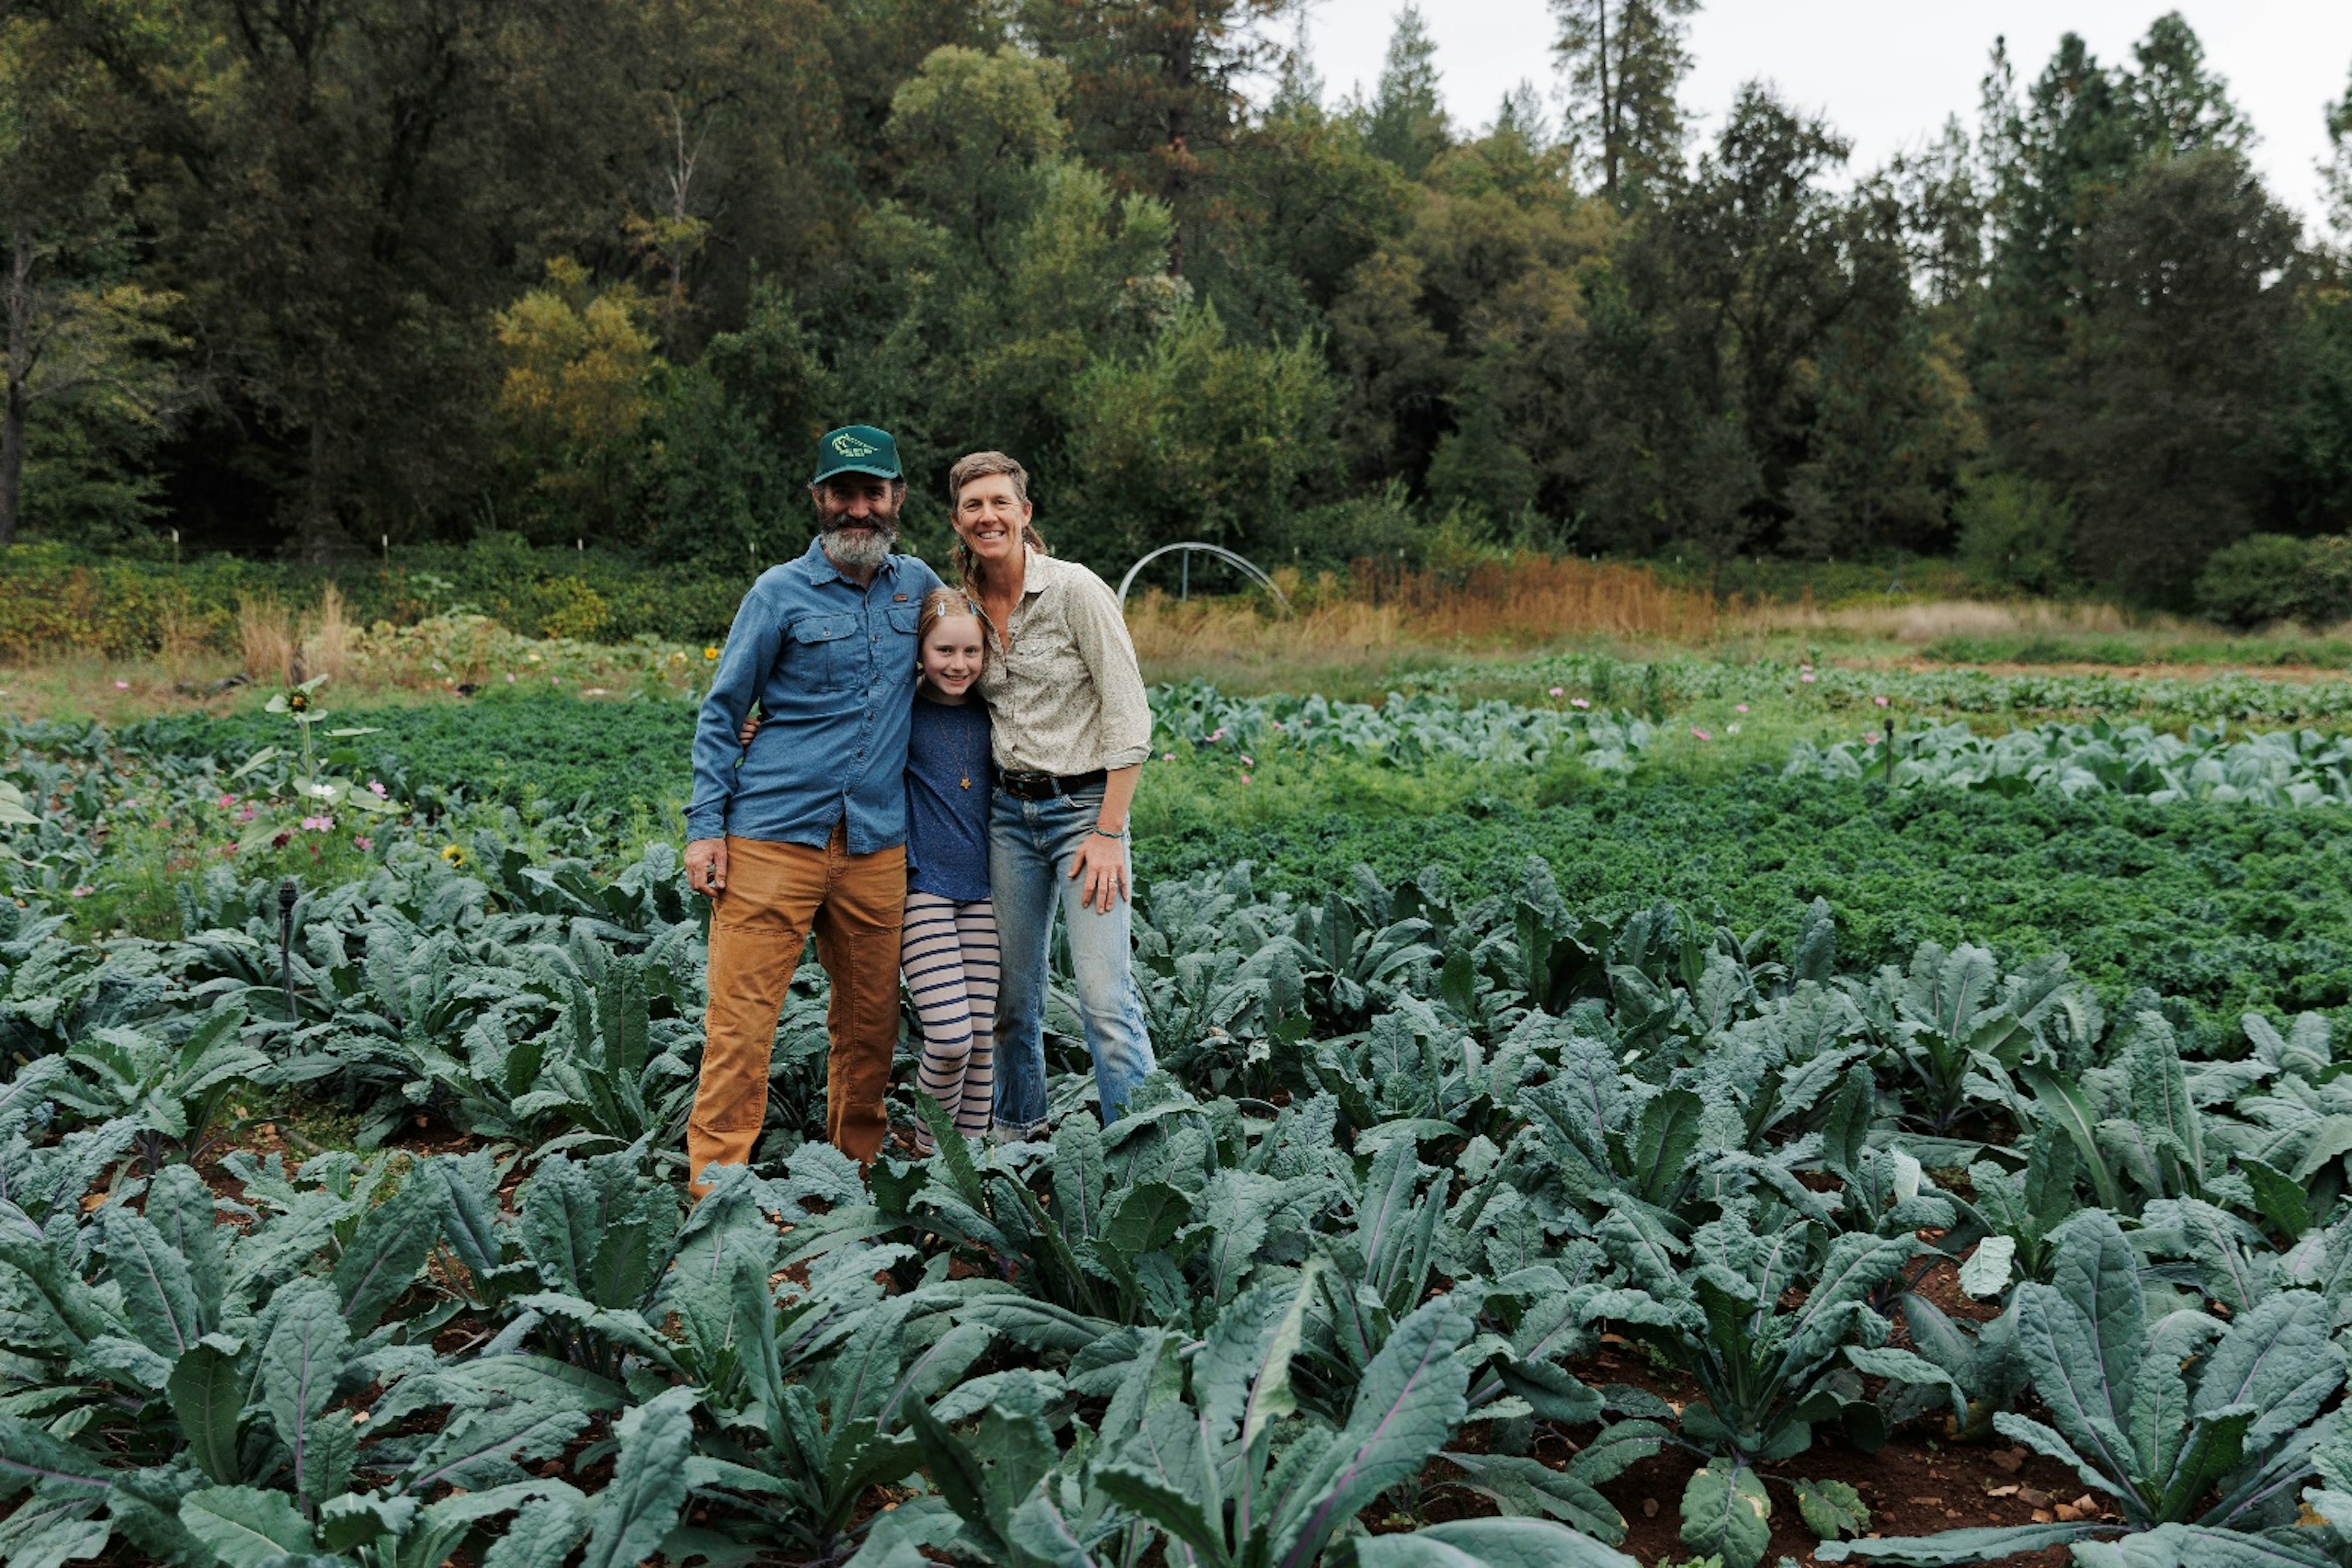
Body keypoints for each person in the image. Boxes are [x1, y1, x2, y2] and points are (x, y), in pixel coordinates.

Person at [682, 424, 941, 1197]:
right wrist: (705, 828)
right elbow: (723, 710)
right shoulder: (777, 592)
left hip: (876, 844)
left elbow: (965, 664)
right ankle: (715, 1189)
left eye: (873, 493)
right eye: (843, 493)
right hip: (771, 836)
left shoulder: (921, 586)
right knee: (741, 1023)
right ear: (818, 498)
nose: (857, 509)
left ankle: (852, 1172)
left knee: (869, 1026)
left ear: (896, 498)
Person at [946, 450, 1155, 1138]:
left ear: (1025, 513)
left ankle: (1142, 1148)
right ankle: (1019, 1136)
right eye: (974, 505)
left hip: (1084, 815)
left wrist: (1108, 831)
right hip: (1007, 818)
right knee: (1012, 998)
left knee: (1102, 997)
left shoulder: (1075, 591)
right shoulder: (962, 606)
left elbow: (1129, 717)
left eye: (1000, 502)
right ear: (958, 521)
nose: (988, 515)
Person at [894, 589, 999, 1152]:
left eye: (971, 652)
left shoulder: (995, 712)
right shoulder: (901, 709)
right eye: (944, 651)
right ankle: (928, 1149)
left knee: (982, 1040)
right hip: (924, 889)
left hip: (984, 891)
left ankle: (971, 1167)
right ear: (920, 650)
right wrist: (762, 731)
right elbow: (835, 737)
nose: (958, 665)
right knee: (952, 1037)